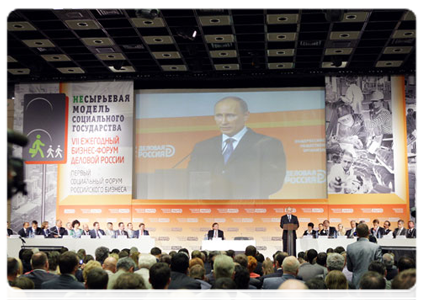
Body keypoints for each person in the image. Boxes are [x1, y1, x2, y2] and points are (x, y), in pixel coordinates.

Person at [187, 96, 286, 199]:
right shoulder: (202, 147)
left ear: (246, 116)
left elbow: (274, 182)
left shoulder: (267, 144)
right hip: (210, 210)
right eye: (219, 116)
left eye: (230, 115)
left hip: (249, 210)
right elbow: (190, 180)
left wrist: (230, 189)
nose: (224, 121)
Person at [347, 223, 382, 295]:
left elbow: (349, 268)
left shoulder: (350, 247)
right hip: (373, 282)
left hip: (356, 283)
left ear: (357, 233)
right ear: (369, 232)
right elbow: (380, 266)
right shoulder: (376, 247)